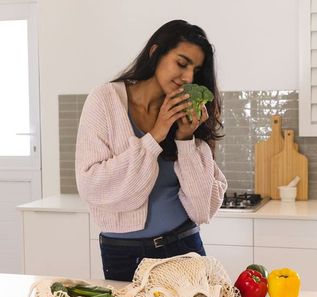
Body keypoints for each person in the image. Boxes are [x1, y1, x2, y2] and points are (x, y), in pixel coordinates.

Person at [75, 20, 227, 281]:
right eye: (181, 63)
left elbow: (203, 209)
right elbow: (92, 186)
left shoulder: (188, 113)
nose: (188, 78)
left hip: (184, 248)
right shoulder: (104, 100)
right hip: (123, 254)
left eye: (196, 70)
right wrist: (156, 135)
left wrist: (186, 140)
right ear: (155, 52)